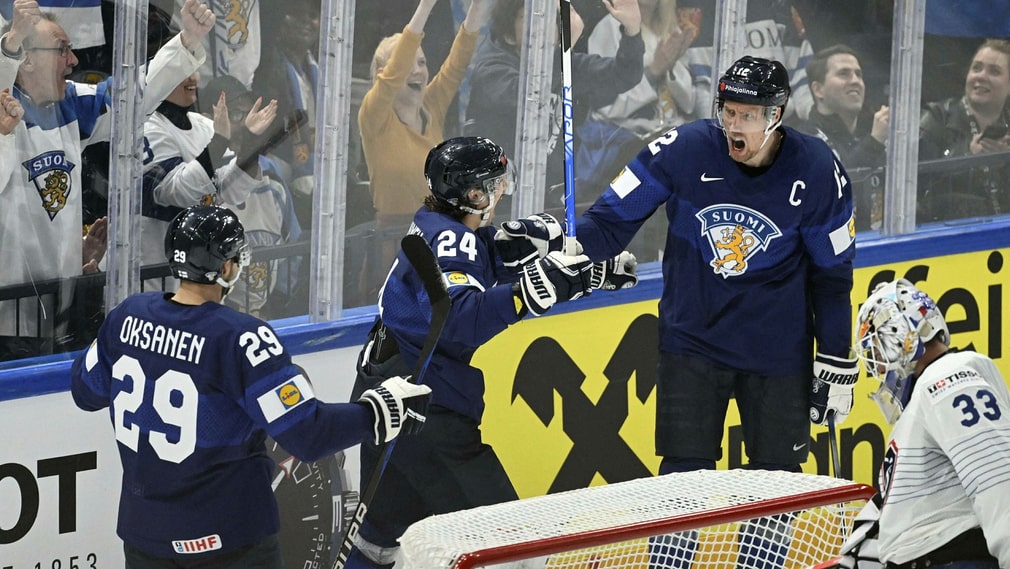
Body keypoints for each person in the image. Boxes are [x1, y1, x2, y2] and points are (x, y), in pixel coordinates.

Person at [497, 56, 857, 476]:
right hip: (692, 342)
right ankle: (674, 548)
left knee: (776, 485)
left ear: (775, 115)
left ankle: (765, 547)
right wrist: (559, 237)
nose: (734, 125)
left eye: (747, 116)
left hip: (777, 350)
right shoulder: (684, 150)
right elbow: (610, 223)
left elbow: (832, 278)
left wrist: (835, 357)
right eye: (728, 112)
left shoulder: (817, 171)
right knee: (681, 485)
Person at [70, 204, 432, 566]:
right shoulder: (240, 338)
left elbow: (85, 392)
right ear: (227, 267)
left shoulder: (126, 316)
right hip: (229, 541)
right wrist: (377, 411)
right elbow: (309, 435)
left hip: (144, 536)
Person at [345, 136, 636, 569]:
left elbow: (488, 264)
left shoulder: (439, 225)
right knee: (507, 544)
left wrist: (584, 275)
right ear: (473, 193)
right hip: (426, 416)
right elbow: (459, 317)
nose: (501, 190)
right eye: (493, 184)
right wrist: (537, 288)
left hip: (388, 395)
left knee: (377, 542)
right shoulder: (451, 241)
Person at [0, 0, 212, 359]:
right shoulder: (7, 110)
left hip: (64, 306)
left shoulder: (69, 103)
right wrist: (11, 42)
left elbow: (132, 94)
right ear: (28, 59)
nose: (74, 61)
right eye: (62, 50)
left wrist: (186, 41)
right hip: (7, 318)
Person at [834, 278, 1009, 568]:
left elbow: (997, 481)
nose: (878, 369)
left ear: (900, 337)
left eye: (877, 353)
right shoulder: (933, 394)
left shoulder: (949, 379)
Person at [356, 0, 492, 306]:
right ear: (383, 73)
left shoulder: (432, 105)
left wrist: (478, 7)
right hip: (394, 240)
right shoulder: (374, 115)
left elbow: (457, 63)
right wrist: (426, 5)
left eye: (421, 62)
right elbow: (392, 76)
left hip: (439, 231)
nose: (417, 70)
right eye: (408, 63)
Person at [464, 0, 645, 204]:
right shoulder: (491, 68)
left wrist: (632, 29)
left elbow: (624, 75)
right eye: (532, 17)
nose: (545, 24)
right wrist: (563, 49)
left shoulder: (562, 63)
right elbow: (529, 98)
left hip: (550, 199)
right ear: (508, 33)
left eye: (552, 17)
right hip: (495, 205)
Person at [140, 69, 277, 292]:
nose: (193, 78)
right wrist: (219, 142)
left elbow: (229, 191)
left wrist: (250, 144)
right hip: (152, 273)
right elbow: (178, 192)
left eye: (194, 70)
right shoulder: (147, 127)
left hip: (199, 271)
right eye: (182, 70)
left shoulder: (203, 125)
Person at [918, 38, 1010, 223]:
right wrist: (968, 159)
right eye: (976, 68)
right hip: (948, 236)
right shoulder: (936, 119)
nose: (981, 76)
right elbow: (916, 190)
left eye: (994, 71)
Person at [799, 44, 888, 231]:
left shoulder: (871, 135)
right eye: (844, 74)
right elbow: (834, 191)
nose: (855, 80)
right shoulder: (802, 143)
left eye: (858, 74)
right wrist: (874, 143)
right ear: (818, 90)